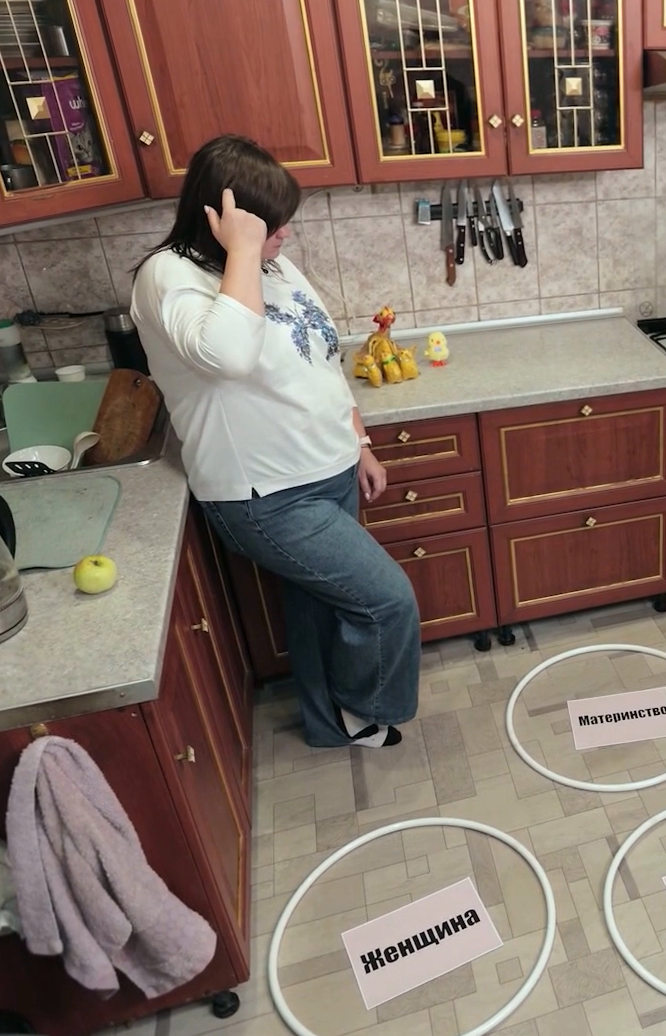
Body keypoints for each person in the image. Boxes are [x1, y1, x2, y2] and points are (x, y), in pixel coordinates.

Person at [130, 135, 420, 750]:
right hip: (265, 496)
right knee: (386, 601)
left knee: (320, 606)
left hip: (329, 469)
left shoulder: (273, 264)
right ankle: (366, 709)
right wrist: (243, 248)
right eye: (269, 224)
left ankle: (329, 725)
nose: (284, 233)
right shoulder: (167, 275)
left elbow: (321, 360)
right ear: (224, 220)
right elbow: (228, 356)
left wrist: (360, 442)